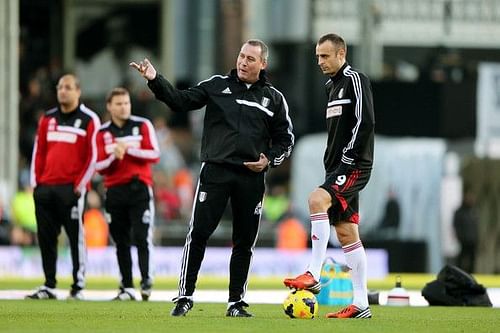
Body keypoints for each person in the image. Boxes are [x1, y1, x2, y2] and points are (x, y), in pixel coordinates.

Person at [130, 39, 294, 317]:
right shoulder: (217, 85)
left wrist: (269, 159)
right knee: (198, 234)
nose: (243, 62)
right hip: (215, 172)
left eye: (250, 59)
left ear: (262, 64)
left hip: (251, 177)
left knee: (244, 242)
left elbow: (286, 140)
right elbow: (180, 101)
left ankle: (236, 303)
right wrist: (155, 80)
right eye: (241, 56)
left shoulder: (274, 99)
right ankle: (184, 296)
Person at [283, 33, 375, 319]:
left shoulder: (355, 80)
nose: (320, 62)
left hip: (353, 164)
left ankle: (314, 272)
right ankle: (361, 304)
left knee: (315, 200)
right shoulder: (330, 87)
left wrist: (349, 157)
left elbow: (365, 120)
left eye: (325, 56)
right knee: (347, 232)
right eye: (317, 57)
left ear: (341, 53)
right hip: (336, 167)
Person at [27, 74, 101, 300]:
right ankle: (49, 284)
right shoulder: (47, 119)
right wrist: (35, 184)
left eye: (68, 87)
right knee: (46, 237)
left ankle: (78, 285)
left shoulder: (89, 119)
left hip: (72, 189)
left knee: (75, 236)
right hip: (46, 188)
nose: (63, 91)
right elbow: (38, 152)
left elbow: (93, 155)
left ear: (78, 91)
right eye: (60, 87)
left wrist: (79, 185)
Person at [95, 87, 160, 301]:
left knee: (142, 236)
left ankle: (146, 280)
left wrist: (128, 150)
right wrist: (115, 156)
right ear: (109, 107)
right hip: (114, 191)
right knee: (120, 240)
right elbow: (99, 166)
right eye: (119, 104)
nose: (124, 107)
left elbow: (154, 154)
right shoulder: (103, 133)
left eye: (126, 103)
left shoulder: (142, 125)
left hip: (139, 189)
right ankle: (127, 286)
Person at [453, 189, 479, 273]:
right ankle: (458, 274)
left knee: (472, 260)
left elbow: (476, 227)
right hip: (463, 241)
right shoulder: (459, 212)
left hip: (472, 240)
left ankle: (471, 276)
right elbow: (456, 226)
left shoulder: (474, 211)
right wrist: (460, 237)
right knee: (461, 259)